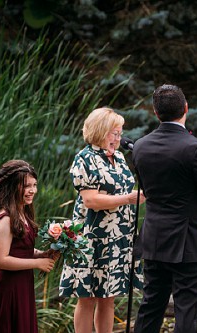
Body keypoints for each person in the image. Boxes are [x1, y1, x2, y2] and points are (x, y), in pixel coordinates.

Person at [132, 84, 197, 333]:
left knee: (151, 305)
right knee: (187, 311)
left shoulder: (140, 146)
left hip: (154, 239)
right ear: (186, 108)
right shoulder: (195, 147)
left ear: (155, 112)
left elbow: (147, 188)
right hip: (188, 242)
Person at [59, 107, 145, 333]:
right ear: (99, 131)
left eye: (119, 133)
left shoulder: (118, 156)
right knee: (86, 296)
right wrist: (127, 198)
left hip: (118, 236)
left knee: (109, 297)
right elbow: (90, 201)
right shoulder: (84, 158)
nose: (118, 138)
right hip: (92, 236)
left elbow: (114, 193)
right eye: (114, 133)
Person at [0, 160, 57, 333]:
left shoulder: (22, 212)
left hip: (22, 283)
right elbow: (0, 260)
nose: (32, 191)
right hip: (8, 288)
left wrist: (42, 254)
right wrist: (37, 264)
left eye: (34, 185)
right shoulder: (6, 218)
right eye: (26, 186)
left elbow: (20, 249)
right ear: (11, 187)